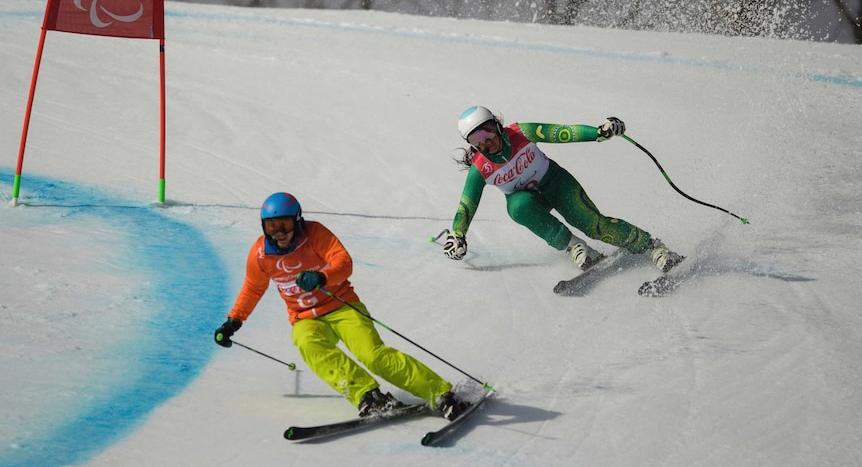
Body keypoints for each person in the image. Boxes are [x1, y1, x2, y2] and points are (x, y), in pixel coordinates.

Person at [215, 192, 468, 420]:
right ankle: (368, 395)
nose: (279, 233)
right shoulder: (261, 254)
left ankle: (441, 393)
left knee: (373, 356)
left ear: (298, 221)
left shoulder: (315, 234)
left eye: (284, 225)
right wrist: (233, 321)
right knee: (307, 343)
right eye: (271, 227)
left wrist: (322, 276)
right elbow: (253, 288)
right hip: (305, 318)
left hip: (342, 306)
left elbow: (343, 262)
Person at [443, 105, 682, 273]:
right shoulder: (480, 168)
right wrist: (457, 235)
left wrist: (598, 133)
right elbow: (467, 205)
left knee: (596, 226)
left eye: (487, 132)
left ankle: (653, 247)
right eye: (476, 140)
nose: (485, 142)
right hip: (529, 202)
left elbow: (560, 133)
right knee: (517, 206)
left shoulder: (521, 132)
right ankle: (575, 247)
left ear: (497, 126)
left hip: (556, 183)